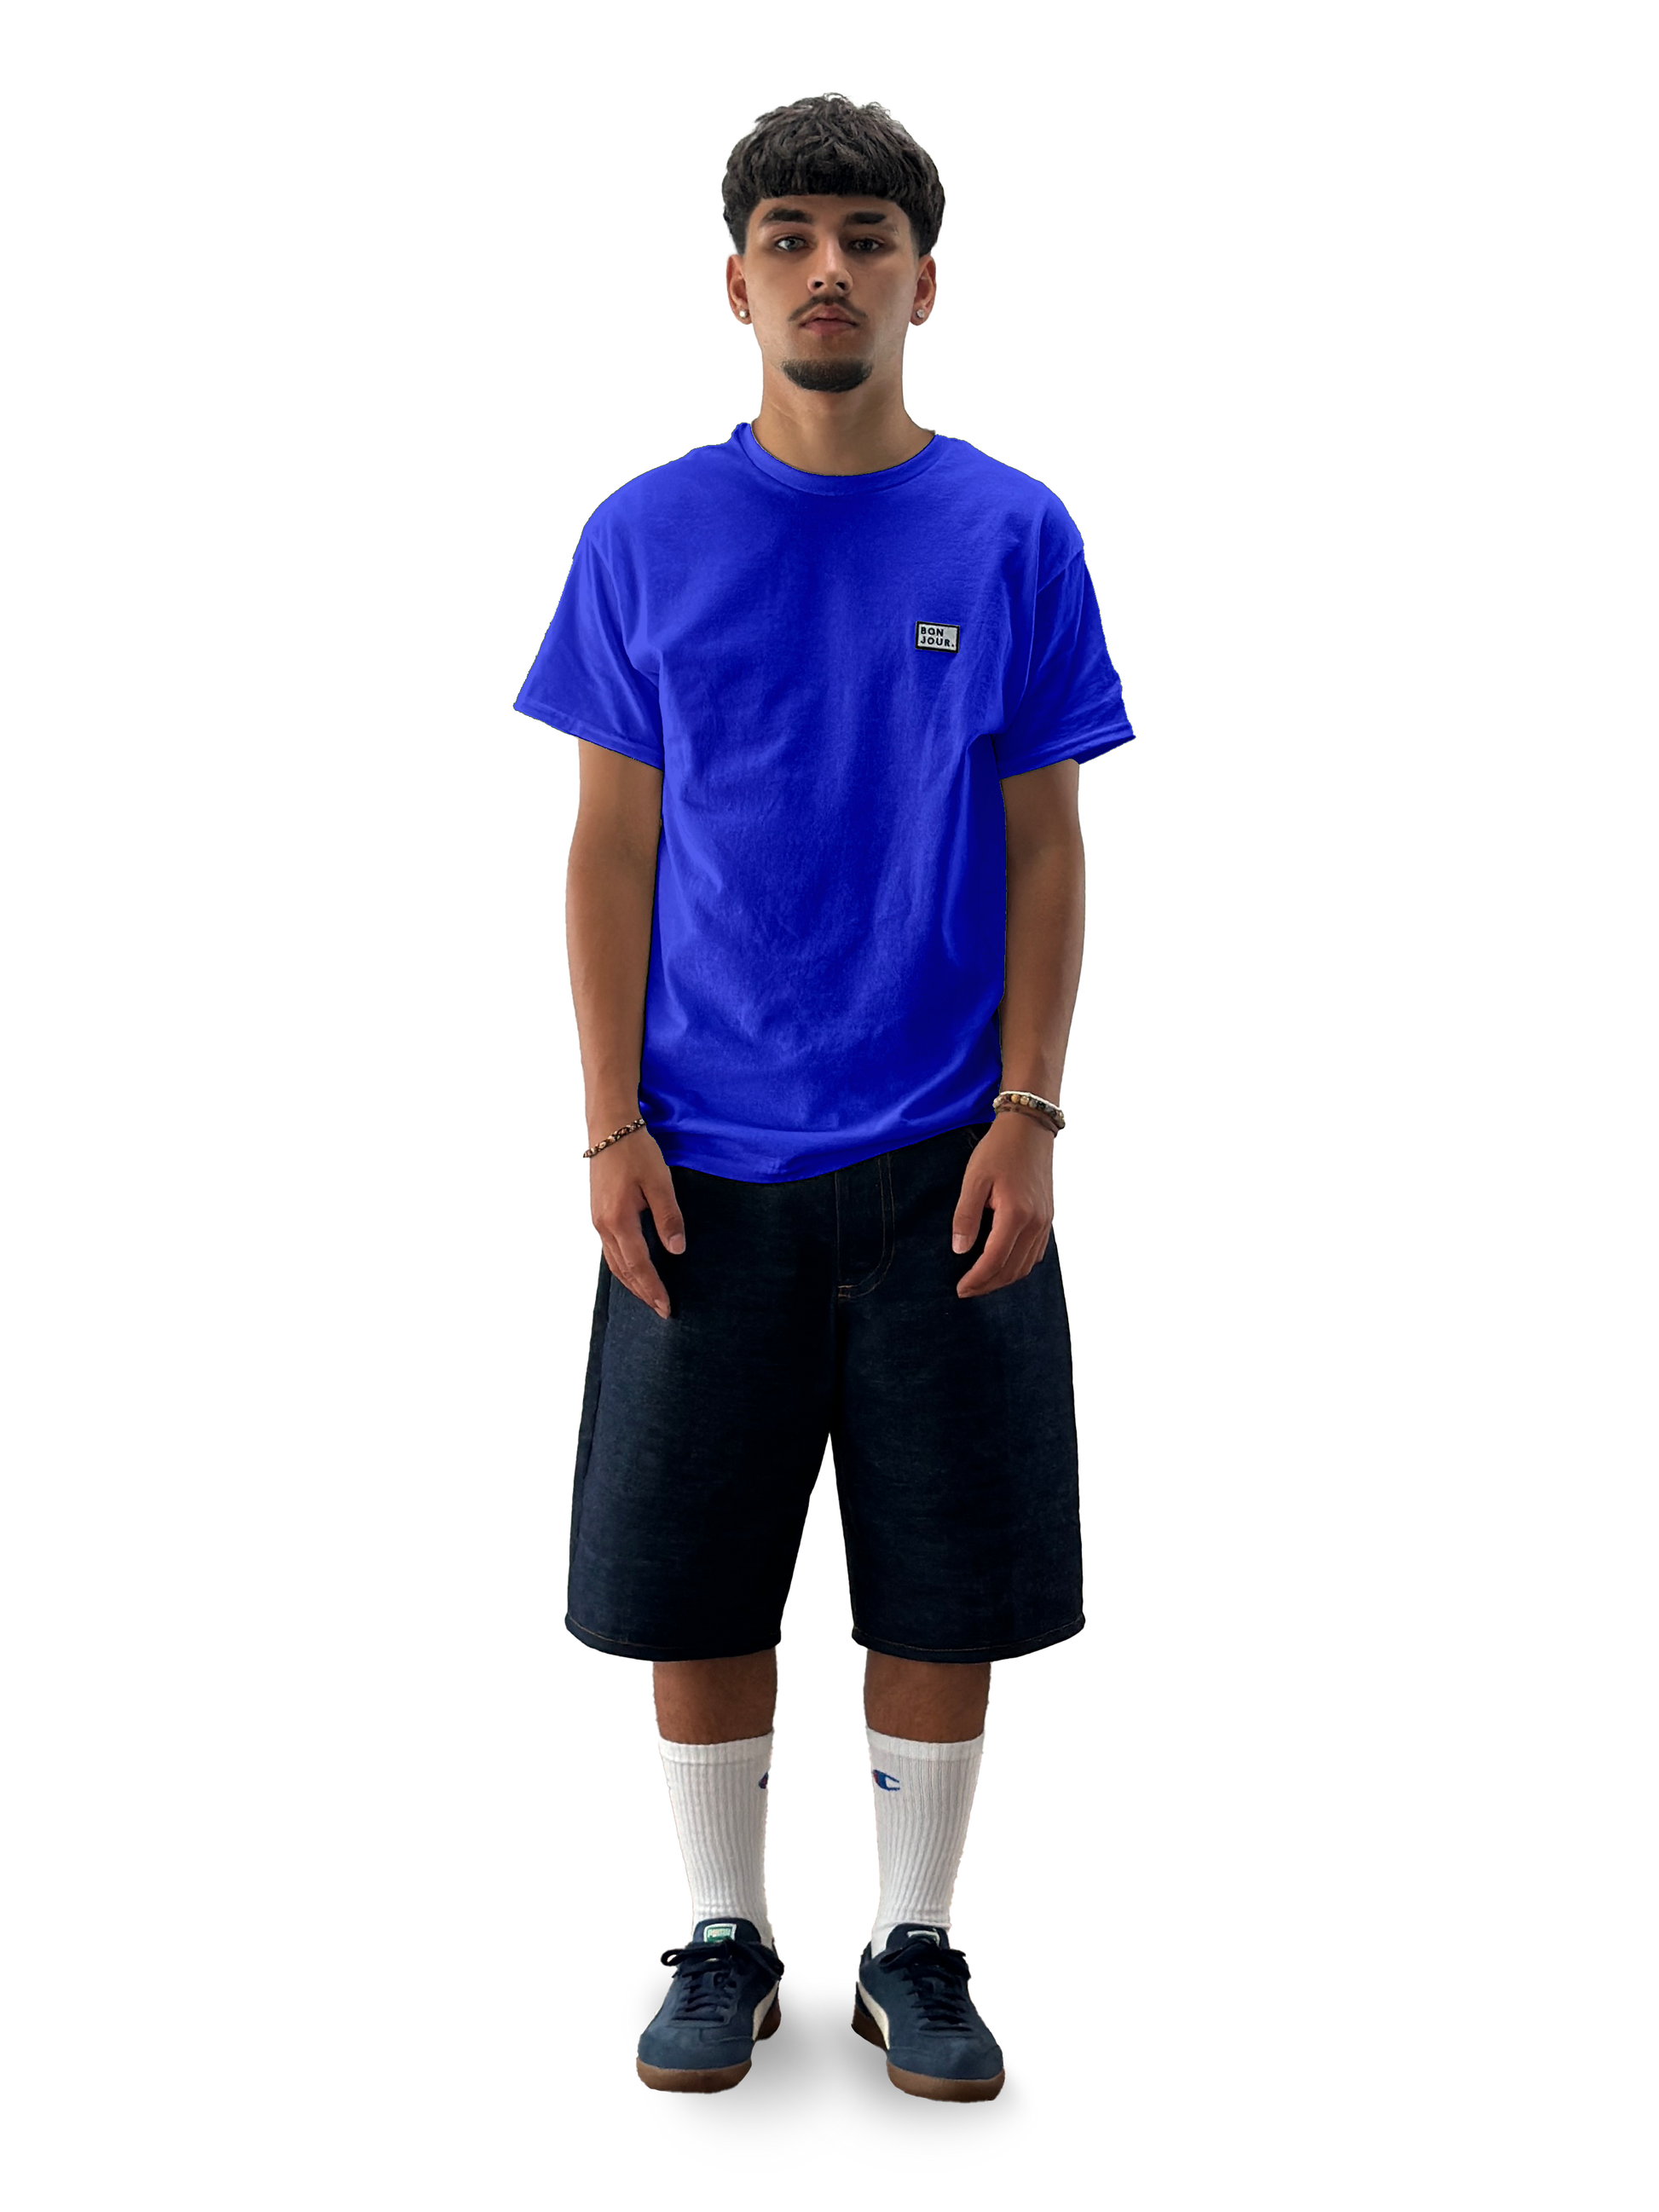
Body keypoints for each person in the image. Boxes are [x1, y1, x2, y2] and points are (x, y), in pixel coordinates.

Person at [511, 90, 1137, 2103]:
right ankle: (724, 1929)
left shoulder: (1015, 531)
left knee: (947, 1567)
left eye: (868, 237)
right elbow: (609, 845)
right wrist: (606, 1124)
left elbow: (1046, 839)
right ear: (734, 286)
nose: (828, 269)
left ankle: (911, 1934)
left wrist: (1032, 1109)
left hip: (948, 1148)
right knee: (688, 1565)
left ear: (924, 284)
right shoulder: (642, 534)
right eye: (788, 237)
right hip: (697, 1158)